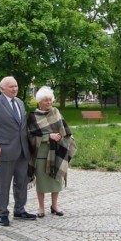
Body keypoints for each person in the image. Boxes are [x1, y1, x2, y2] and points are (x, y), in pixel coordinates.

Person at [0, 76, 35, 226]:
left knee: (21, 183)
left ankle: (20, 210)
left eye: (16, 86)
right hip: (5, 152)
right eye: (11, 87)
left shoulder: (20, 103)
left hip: (23, 151)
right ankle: (3, 213)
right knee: (4, 184)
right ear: (2, 89)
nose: (15, 89)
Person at [27, 86, 77, 217]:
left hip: (57, 152)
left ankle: (55, 206)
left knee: (57, 180)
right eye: (45, 100)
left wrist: (63, 136)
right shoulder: (33, 116)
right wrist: (48, 136)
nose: (48, 102)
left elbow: (65, 130)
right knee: (42, 182)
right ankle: (41, 207)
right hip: (41, 154)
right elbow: (30, 136)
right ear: (39, 101)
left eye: (50, 100)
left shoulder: (56, 112)